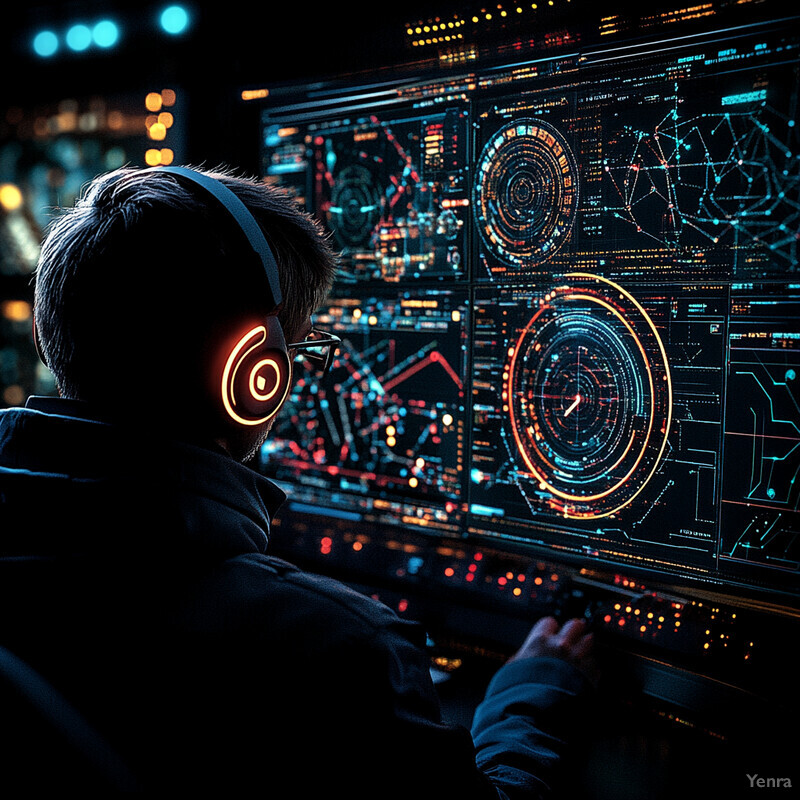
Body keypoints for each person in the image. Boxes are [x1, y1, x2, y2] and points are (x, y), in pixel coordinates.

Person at [0, 165, 597, 796]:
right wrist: (530, 698)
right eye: (298, 352)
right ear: (253, 372)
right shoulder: (337, 653)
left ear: (44, 336)